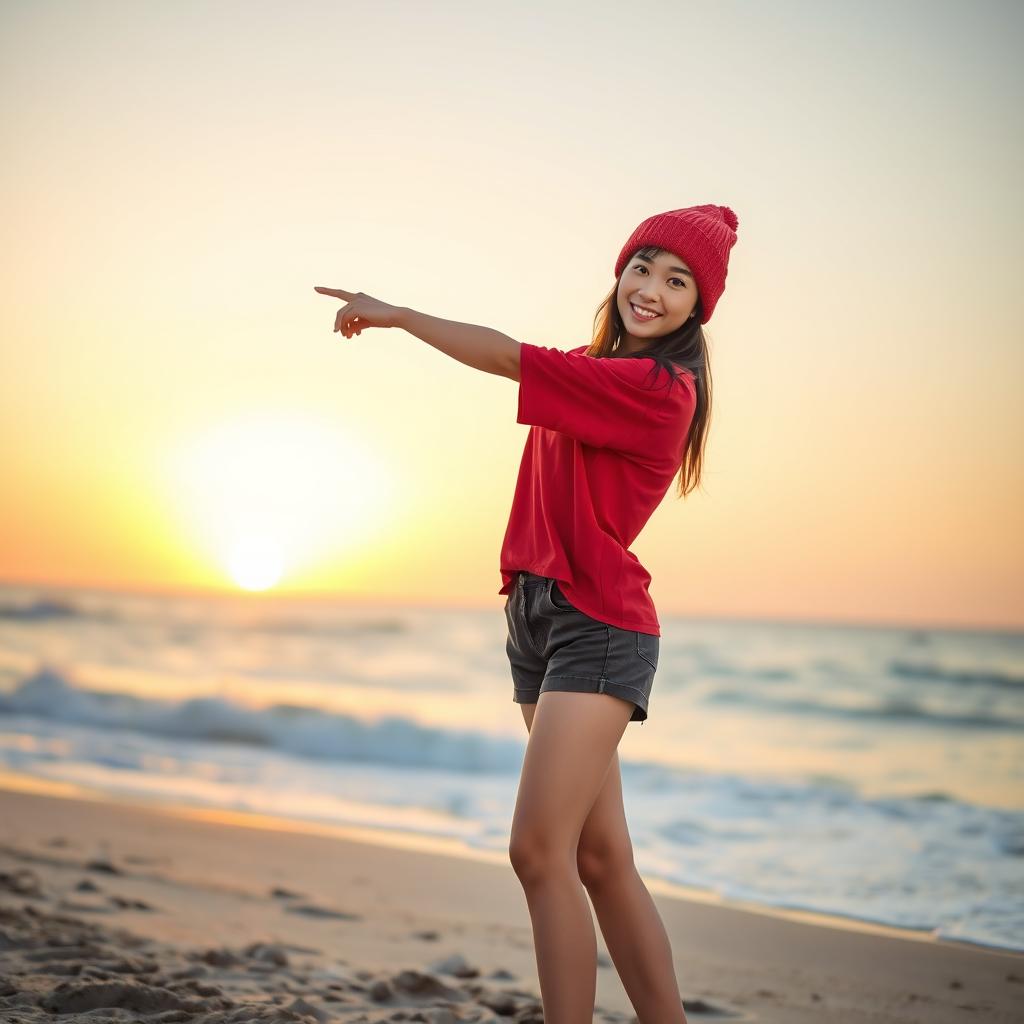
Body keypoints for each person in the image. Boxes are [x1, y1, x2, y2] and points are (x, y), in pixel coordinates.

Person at [314, 202, 739, 1024]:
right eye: (641, 268)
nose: (650, 289)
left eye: (676, 281)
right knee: (602, 859)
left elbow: (509, 357)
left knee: (538, 852)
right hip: (540, 614)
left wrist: (399, 315)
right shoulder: (598, 366)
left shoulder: (658, 389)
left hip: (599, 623)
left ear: (698, 306)